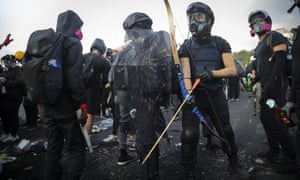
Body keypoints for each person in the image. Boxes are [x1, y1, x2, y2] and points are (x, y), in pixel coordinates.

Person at [178, 2, 250, 179]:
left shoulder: (220, 43)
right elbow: (186, 74)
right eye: (191, 17)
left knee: (226, 131)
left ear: (210, 20)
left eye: (199, 16)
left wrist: (212, 73)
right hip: (194, 96)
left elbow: (232, 70)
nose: (194, 20)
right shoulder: (185, 46)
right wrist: (188, 94)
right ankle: (189, 172)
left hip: (215, 94)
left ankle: (234, 165)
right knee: (189, 135)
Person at [113, 12, 172, 179]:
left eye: (135, 32)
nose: (132, 37)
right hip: (138, 101)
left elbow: (168, 67)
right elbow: (120, 78)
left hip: (151, 98)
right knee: (144, 141)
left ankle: (151, 172)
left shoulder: (160, 39)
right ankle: (150, 172)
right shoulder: (129, 51)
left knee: (146, 140)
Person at [35, 10, 86, 180]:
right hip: (65, 105)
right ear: (74, 26)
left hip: (48, 103)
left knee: (53, 146)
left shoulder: (50, 44)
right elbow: (74, 78)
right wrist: (81, 103)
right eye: (79, 27)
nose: (80, 31)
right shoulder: (73, 44)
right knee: (76, 147)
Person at [248, 9, 297, 173]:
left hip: (276, 89)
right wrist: (257, 79)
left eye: (260, 20)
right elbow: (264, 66)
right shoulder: (260, 45)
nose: (257, 24)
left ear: (267, 21)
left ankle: (290, 157)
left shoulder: (274, 36)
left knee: (278, 120)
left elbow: (280, 62)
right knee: (266, 118)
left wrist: (270, 85)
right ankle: (274, 151)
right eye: (254, 22)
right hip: (266, 90)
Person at [83, 38, 111, 133]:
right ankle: (86, 138)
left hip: (79, 89)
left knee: (79, 114)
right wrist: (104, 99)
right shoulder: (104, 62)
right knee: (90, 115)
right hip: (93, 91)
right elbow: (107, 81)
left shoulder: (84, 57)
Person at [0, 54, 25, 143]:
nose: (5, 64)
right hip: (5, 97)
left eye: (7, 62)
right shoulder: (6, 70)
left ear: (12, 61)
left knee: (12, 115)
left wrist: (6, 82)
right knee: (4, 115)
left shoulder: (17, 70)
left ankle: (14, 134)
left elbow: (20, 82)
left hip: (14, 97)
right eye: (4, 62)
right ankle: (7, 132)